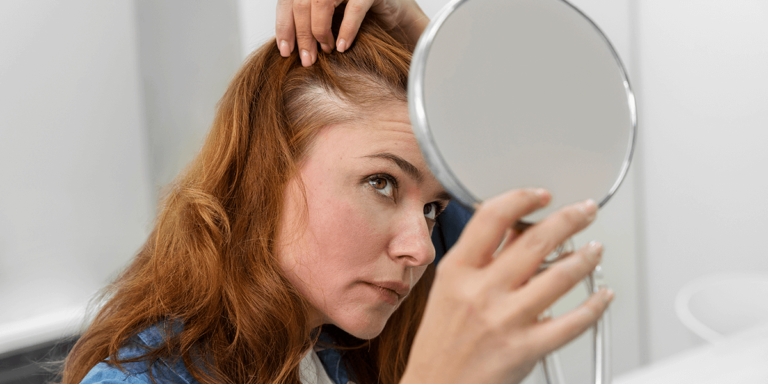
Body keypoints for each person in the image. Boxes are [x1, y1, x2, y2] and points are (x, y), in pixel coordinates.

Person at [62, 1, 612, 383]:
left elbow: (530, 179)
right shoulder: (136, 381)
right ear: (267, 171)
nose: (421, 249)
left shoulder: (331, 339)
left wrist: (425, 37)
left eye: (433, 208)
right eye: (381, 183)